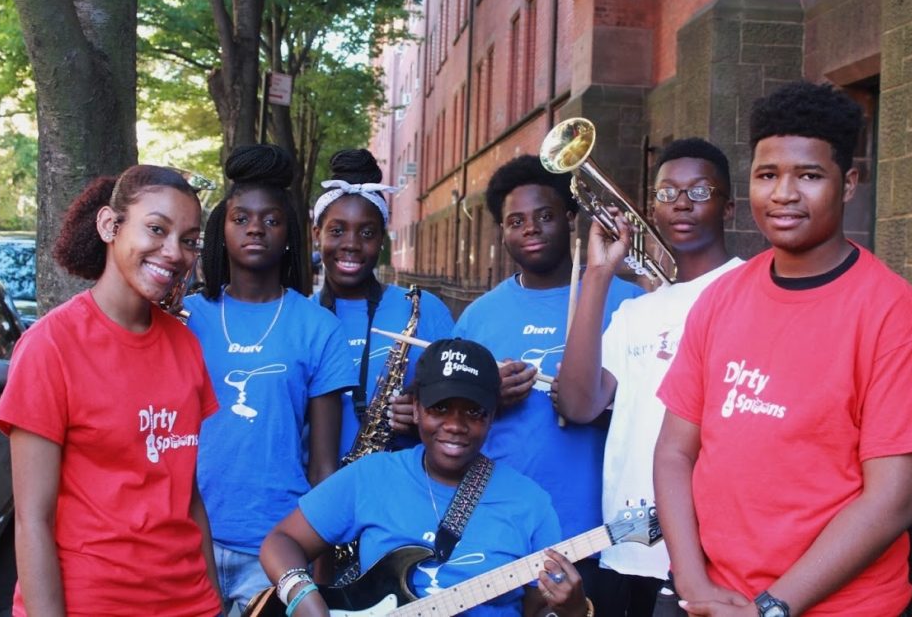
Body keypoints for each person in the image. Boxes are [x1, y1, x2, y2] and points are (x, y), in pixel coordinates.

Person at [653, 81, 912, 617]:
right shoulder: (721, 298)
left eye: (809, 176)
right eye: (767, 175)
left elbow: (892, 500)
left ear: (848, 184)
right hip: (711, 597)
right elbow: (675, 452)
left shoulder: (892, 314)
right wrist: (693, 583)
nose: (784, 194)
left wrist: (770, 608)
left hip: (836, 608)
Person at [0, 166, 222, 616]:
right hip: (90, 602)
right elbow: (32, 520)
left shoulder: (186, 346)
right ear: (109, 225)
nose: (174, 252)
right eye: (157, 229)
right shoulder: (50, 346)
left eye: (189, 240)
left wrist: (214, 602)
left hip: (190, 602)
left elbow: (187, 496)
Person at [259, 337, 591, 617]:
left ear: (492, 416)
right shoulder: (373, 476)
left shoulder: (530, 504)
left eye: (474, 411)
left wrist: (574, 610)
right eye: (439, 408)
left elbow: (538, 610)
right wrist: (304, 598)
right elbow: (281, 542)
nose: (455, 425)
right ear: (416, 409)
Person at [556, 137, 742, 616]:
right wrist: (599, 274)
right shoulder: (636, 311)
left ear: (729, 208)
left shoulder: (749, 290)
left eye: (699, 191)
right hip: (629, 544)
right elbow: (578, 404)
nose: (681, 203)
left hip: (713, 553)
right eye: (666, 193)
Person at [451, 154, 642, 602]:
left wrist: (596, 403)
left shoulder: (629, 303)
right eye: (515, 221)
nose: (530, 229)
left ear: (571, 218)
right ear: (502, 232)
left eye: (545, 216)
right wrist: (486, 396)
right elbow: (449, 420)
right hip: (500, 527)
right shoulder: (478, 316)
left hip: (599, 532)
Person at [185, 144, 357, 614]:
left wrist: (318, 572)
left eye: (271, 220)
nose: (255, 228)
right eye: (240, 218)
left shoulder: (318, 327)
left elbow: (324, 466)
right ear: (221, 230)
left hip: (274, 548)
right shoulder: (186, 319)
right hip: (186, 539)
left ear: (290, 235)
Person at [311, 148, 454, 458]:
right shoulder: (298, 316)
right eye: (336, 231)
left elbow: (461, 407)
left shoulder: (424, 309)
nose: (351, 244)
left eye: (367, 233)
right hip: (315, 484)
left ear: (381, 240)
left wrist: (426, 413)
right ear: (316, 235)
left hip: (401, 480)